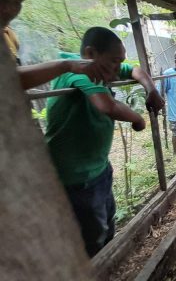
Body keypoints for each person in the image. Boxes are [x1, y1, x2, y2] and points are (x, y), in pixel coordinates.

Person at [45, 27, 164, 257]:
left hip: (99, 169)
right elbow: (106, 105)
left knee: (107, 228)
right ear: (90, 54)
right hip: (77, 178)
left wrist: (151, 89)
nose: (118, 68)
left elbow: (136, 69)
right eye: (114, 61)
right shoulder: (77, 72)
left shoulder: (103, 68)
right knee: (90, 241)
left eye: (120, 62)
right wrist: (138, 119)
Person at [1, 0, 111, 90]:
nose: (10, 9)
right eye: (2, 0)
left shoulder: (9, 35)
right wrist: (66, 65)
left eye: (17, 2)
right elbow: (7, 79)